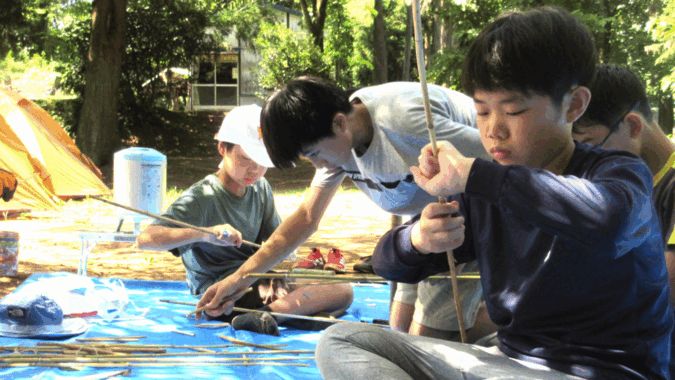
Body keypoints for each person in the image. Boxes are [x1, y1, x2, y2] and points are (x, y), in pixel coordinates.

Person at [316, 6, 672, 379]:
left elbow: (609, 221)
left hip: (598, 372)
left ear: (574, 105)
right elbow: (388, 263)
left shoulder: (619, 173)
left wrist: (478, 176)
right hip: (506, 363)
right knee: (343, 340)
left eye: (513, 111)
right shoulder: (489, 189)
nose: (493, 131)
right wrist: (417, 239)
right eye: (482, 112)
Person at [196, 76, 492, 340]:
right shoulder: (338, 141)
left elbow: (500, 161)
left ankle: (517, 323)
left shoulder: (403, 122)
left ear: (340, 123)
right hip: (421, 225)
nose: (317, 165)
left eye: (313, 154)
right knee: (400, 332)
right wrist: (238, 279)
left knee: (426, 343)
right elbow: (307, 217)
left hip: (465, 211)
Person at [137, 104, 353, 335]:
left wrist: (299, 261)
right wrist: (205, 233)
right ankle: (284, 314)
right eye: (244, 159)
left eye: (262, 162)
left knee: (342, 289)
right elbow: (146, 239)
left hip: (257, 276)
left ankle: (272, 315)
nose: (254, 170)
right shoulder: (202, 197)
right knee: (324, 295)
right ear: (222, 148)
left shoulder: (260, 187)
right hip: (222, 292)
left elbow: (277, 241)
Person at [572, 63, 675, 375]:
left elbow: (665, 293)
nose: (582, 161)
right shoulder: (631, 187)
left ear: (632, 125)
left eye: (589, 145)